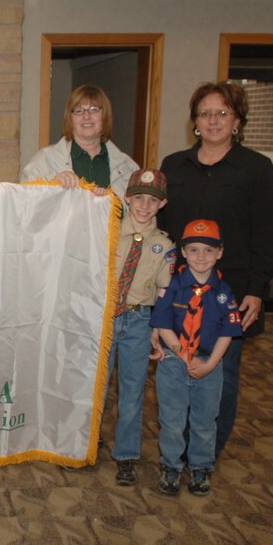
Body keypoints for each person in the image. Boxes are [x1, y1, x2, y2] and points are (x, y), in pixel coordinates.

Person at [158, 82, 273, 459]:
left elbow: (266, 235)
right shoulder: (173, 165)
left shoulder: (256, 168)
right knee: (177, 372)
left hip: (230, 292)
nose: (213, 121)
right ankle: (177, 449)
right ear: (194, 121)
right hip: (180, 291)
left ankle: (205, 454)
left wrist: (257, 290)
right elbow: (160, 232)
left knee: (219, 376)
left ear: (237, 121)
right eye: (205, 113)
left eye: (222, 113)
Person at [150, 219, 243, 496]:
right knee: (172, 418)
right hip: (174, 361)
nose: (201, 257)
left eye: (208, 250)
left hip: (209, 365)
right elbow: (163, 323)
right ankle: (171, 466)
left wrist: (212, 363)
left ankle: (201, 467)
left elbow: (228, 332)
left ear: (220, 253)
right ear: (183, 252)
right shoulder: (174, 286)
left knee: (205, 419)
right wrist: (183, 354)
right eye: (193, 250)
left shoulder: (225, 293)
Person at [108, 169, 176, 486]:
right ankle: (82, 447)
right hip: (106, 318)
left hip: (138, 320)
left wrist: (157, 328)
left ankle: (126, 455)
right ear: (127, 199)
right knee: (94, 387)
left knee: (133, 391)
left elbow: (164, 292)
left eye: (152, 200)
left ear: (161, 205)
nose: (144, 206)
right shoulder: (108, 232)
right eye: (139, 199)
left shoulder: (164, 247)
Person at [20, 84, 138, 199]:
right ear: (70, 119)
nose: (86, 116)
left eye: (94, 109)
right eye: (79, 111)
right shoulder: (46, 159)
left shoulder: (127, 167)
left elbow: (141, 211)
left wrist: (112, 201)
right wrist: (53, 183)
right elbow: (23, 199)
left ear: (105, 116)